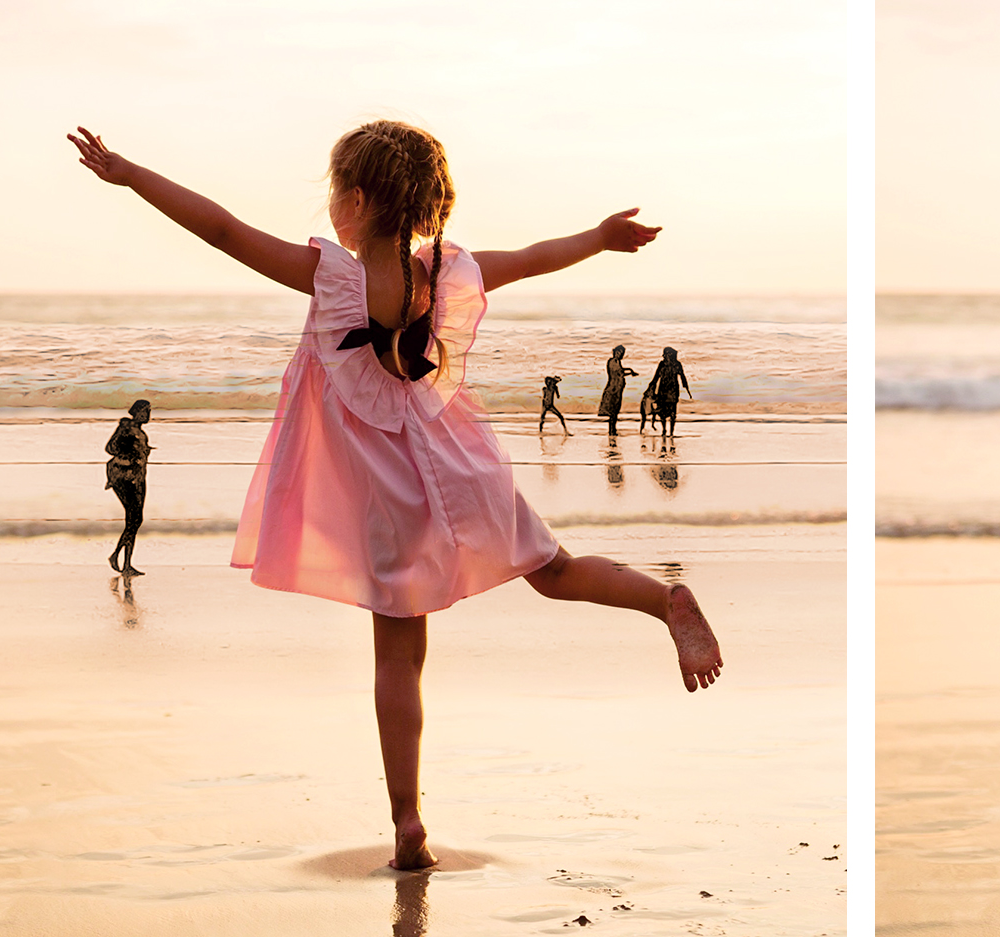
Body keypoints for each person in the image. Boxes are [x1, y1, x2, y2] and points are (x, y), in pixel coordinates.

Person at [70, 121, 723, 872]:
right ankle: (661, 600)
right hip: (461, 462)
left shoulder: (330, 277)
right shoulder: (446, 273)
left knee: (398, 654)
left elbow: (219, 227)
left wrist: (131, 175)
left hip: (392, 494)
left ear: (352, 199)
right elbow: (534, 258)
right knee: (556, 572)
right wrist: (599, 237)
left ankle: (409, 823)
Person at [105, 398, 151, 575]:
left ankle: (125, 563)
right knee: (133, 519)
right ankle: (118, 557)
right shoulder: (126, 428)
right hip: (124, 477)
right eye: (145, 411)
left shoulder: (140, 432)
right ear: (137, 411)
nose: (148, 415)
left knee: (135, 520)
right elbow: (110, 448)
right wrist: (131, 455)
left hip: (138, 477)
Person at [639, 346, 692, 436]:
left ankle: (671, 431)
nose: (664, 357)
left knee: (672, 412)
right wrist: (650, 386)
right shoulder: (662, 364)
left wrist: (687, 388)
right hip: (663, 390)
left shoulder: (677, 364)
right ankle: (664, 430)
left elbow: (682, 376)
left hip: (673, 391)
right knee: (662, 412)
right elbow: (656, 377)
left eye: (666, 355)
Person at [597, 345, 637, 437]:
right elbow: (619, 373)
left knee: (615, 411)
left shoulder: (617, 362)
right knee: (612, 411)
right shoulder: (612, 361)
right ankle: (612, 431)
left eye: (622, 353)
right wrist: (630, 371)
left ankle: (613, 430)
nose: (621, 355)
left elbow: (620, 373)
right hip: (613, 389)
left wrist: (630, 371)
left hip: (617, 389)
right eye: (619, 353)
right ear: (615, 352)